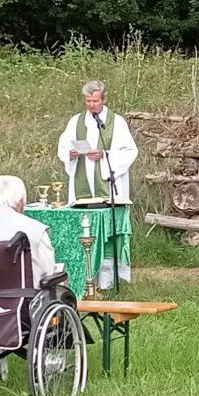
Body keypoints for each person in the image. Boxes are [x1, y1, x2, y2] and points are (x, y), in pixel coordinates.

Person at [56, 80, 137, 286]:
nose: (91, 105)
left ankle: (110, 280)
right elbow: (63, 146)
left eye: (95, 101)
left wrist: (104, 154)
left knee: (108, 232)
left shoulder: (116, 122)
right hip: (82, 186)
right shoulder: (76, 121)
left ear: (104, 99)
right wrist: (71, 154)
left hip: (107, 186)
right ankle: (83, 277)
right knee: (85, 229)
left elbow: (130, 151)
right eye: (88, 101)